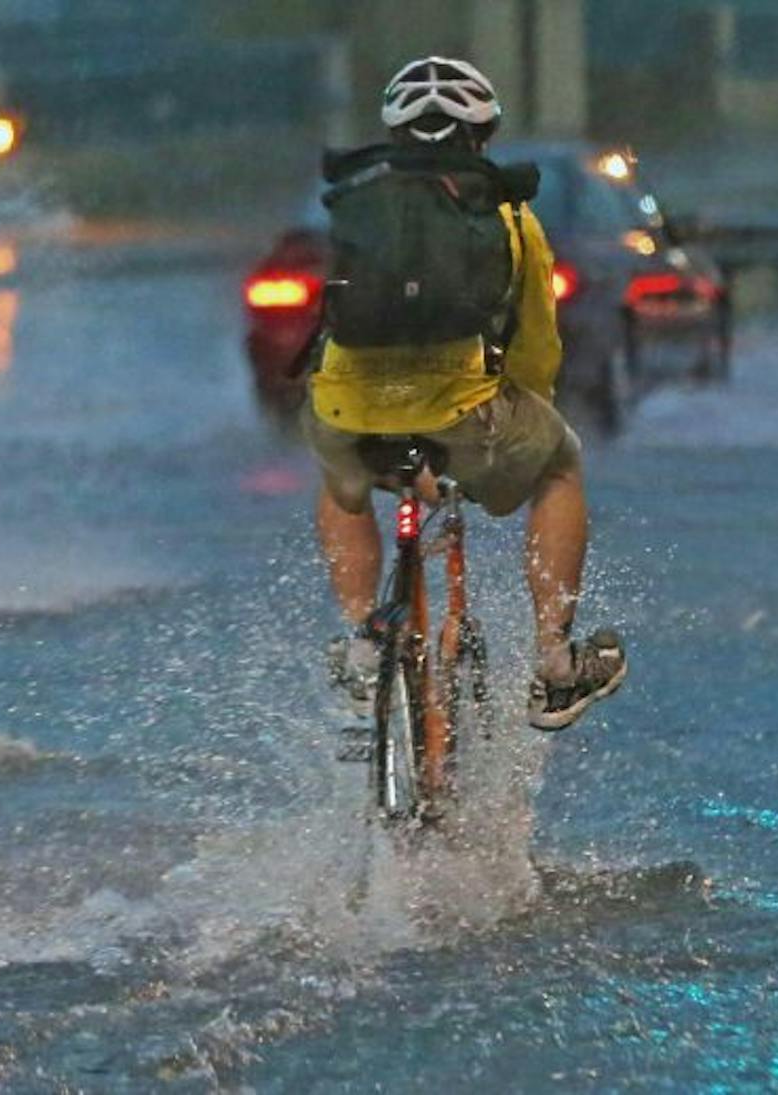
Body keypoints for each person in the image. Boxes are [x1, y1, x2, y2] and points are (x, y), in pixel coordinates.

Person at [309, 57, 626, 731]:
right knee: (560, 461)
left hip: (348, 410)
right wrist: (524, 417)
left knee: (344, 479)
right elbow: (536, 351)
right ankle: (556, 663)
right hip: (464, 411)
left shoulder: (356, 209)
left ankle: (364, 642)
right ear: (483, 136)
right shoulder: (509, 216)